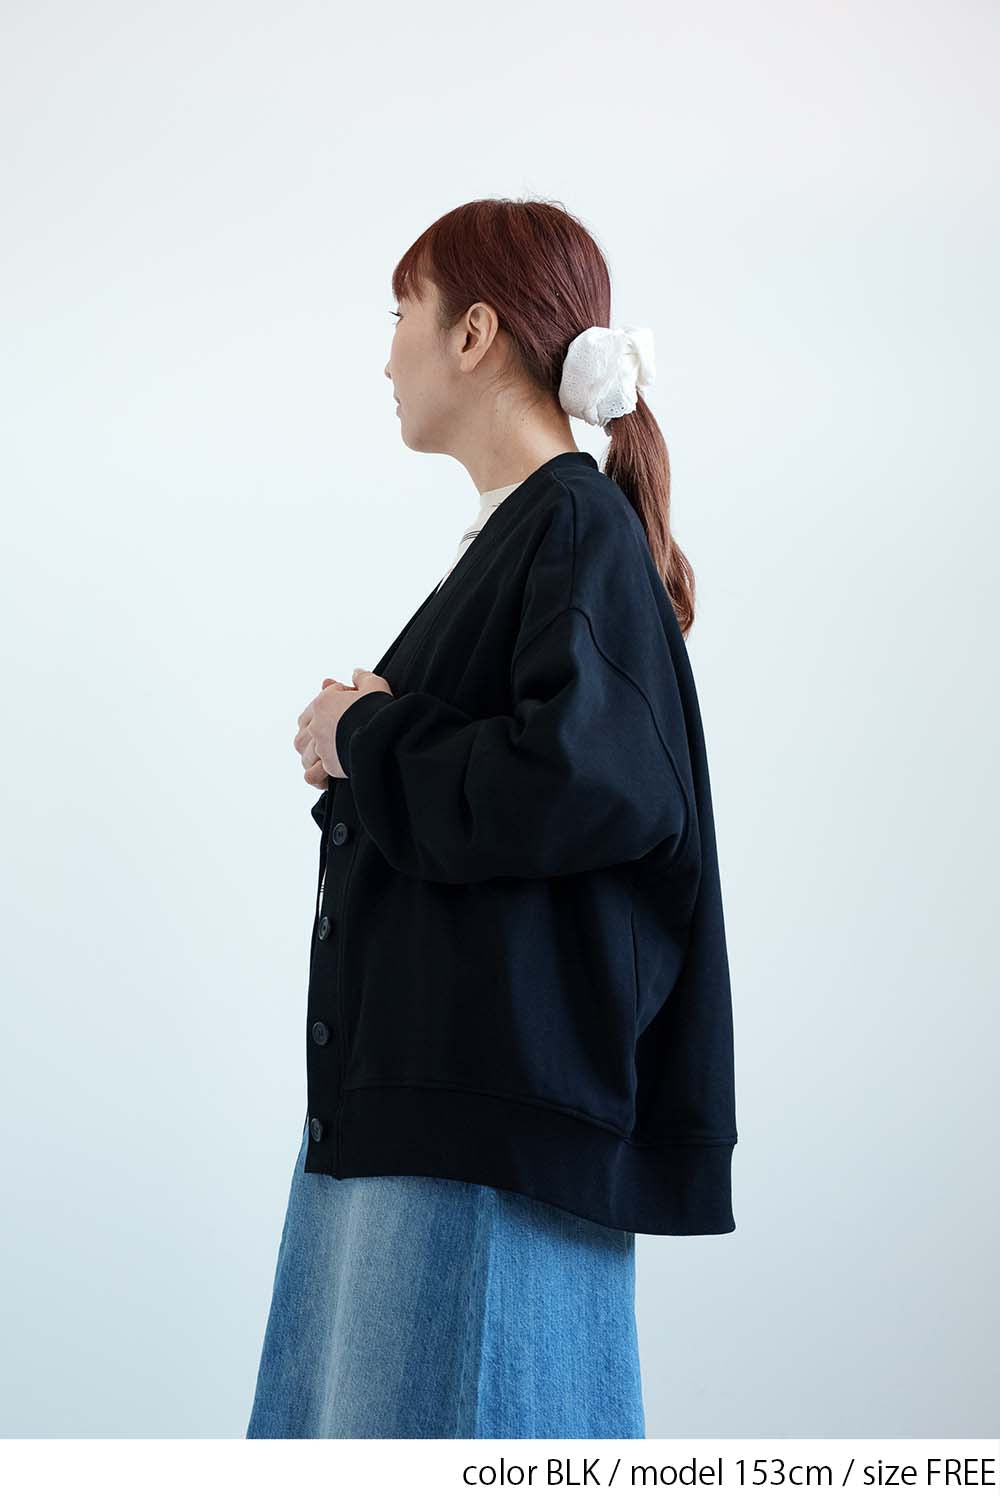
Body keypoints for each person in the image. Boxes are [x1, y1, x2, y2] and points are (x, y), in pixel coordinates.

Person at [246, 196, 737, 1440]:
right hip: (435, 1112)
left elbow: (592, 784)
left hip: (473, 1131)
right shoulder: (537, 535)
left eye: (399, 314)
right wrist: (367, 739)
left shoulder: (568, 525)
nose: (385, 357)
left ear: (471, 334)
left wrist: (362, 735)